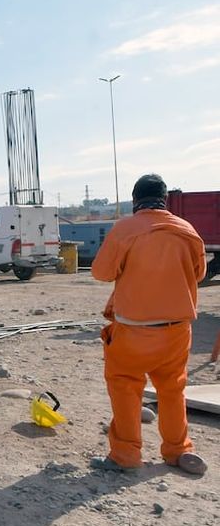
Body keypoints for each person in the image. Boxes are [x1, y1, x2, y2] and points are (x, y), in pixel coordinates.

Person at [90, 174, 208, 476]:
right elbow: (198, 275)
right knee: (172, 389)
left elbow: (101, 273)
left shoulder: (125, 230)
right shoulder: (188, 231)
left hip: (133, 330)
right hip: (178, 329)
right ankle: (178, 450)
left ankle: (126, 455)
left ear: (135, 201)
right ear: (165, 200)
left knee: (125, 386)